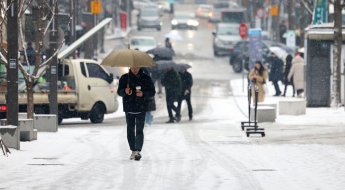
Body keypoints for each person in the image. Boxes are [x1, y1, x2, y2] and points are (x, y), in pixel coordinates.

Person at [117, 67, 156, 161]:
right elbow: (119, 92)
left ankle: (138, 150)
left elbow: (152, 92)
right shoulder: (124, 78)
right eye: (133, 67)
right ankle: (133, 150)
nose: (135, 69)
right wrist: (124, 91)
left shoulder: (146, 78)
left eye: (137, 67)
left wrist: (143, 94)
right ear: (130, 67)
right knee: (130, 130)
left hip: (141, 107)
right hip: (129, 107)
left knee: (139, 130)